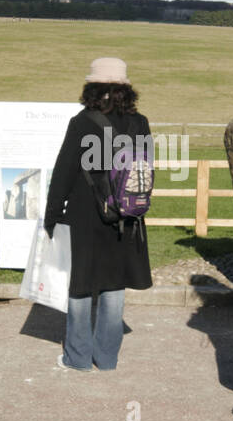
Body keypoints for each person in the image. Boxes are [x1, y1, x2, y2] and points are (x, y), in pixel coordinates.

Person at [43, 57, 152, 370]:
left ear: (92, 87)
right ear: (125, 90)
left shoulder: (82, 122)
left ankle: (77, 357)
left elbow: (64, 172)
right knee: (113, 285)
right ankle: (106, 358)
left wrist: (51, 216)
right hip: (126, 215)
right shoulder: (139, 122)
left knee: (80, 284)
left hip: (85, 214)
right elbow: (146, 170)